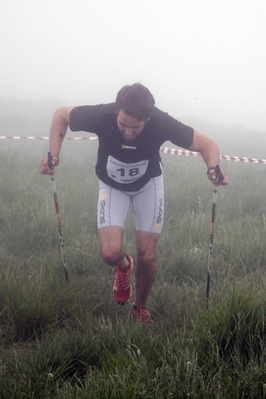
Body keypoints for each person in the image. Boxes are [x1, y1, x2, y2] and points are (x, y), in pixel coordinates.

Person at [39, 83, 228, 323]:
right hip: (111, 185)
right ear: (117, 111)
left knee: (147, 256)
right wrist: (53, 154)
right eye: (122, 125)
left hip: (148, 185)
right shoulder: (102, 114)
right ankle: (124, 265)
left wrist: (213, 167)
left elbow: (207, 145)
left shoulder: (161, 122)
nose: (128, 132)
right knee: (109, 253)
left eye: (135, 128)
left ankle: (140, 306)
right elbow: (61, 115)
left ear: (147, 118)